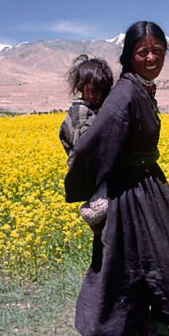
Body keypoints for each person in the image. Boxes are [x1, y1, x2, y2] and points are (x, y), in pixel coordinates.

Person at [64, 21, 169, 336]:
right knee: (123, 273)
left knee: (156, 268)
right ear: (129, 55)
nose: (151, 57)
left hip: (146, 190)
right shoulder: (124, 95)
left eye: (157, 51)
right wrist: (93, 188)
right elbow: (91, 147)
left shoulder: (141, 90)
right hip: (127, 197)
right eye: (142, 51)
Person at [59, 55, 114, 229]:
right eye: (94, 90)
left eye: (103, 91)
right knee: (103, 211)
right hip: (88, 172)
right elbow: (87, 149)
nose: (99, 96)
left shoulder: (92, 109)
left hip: (92, 172)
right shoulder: (81, 113)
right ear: (81, 87)